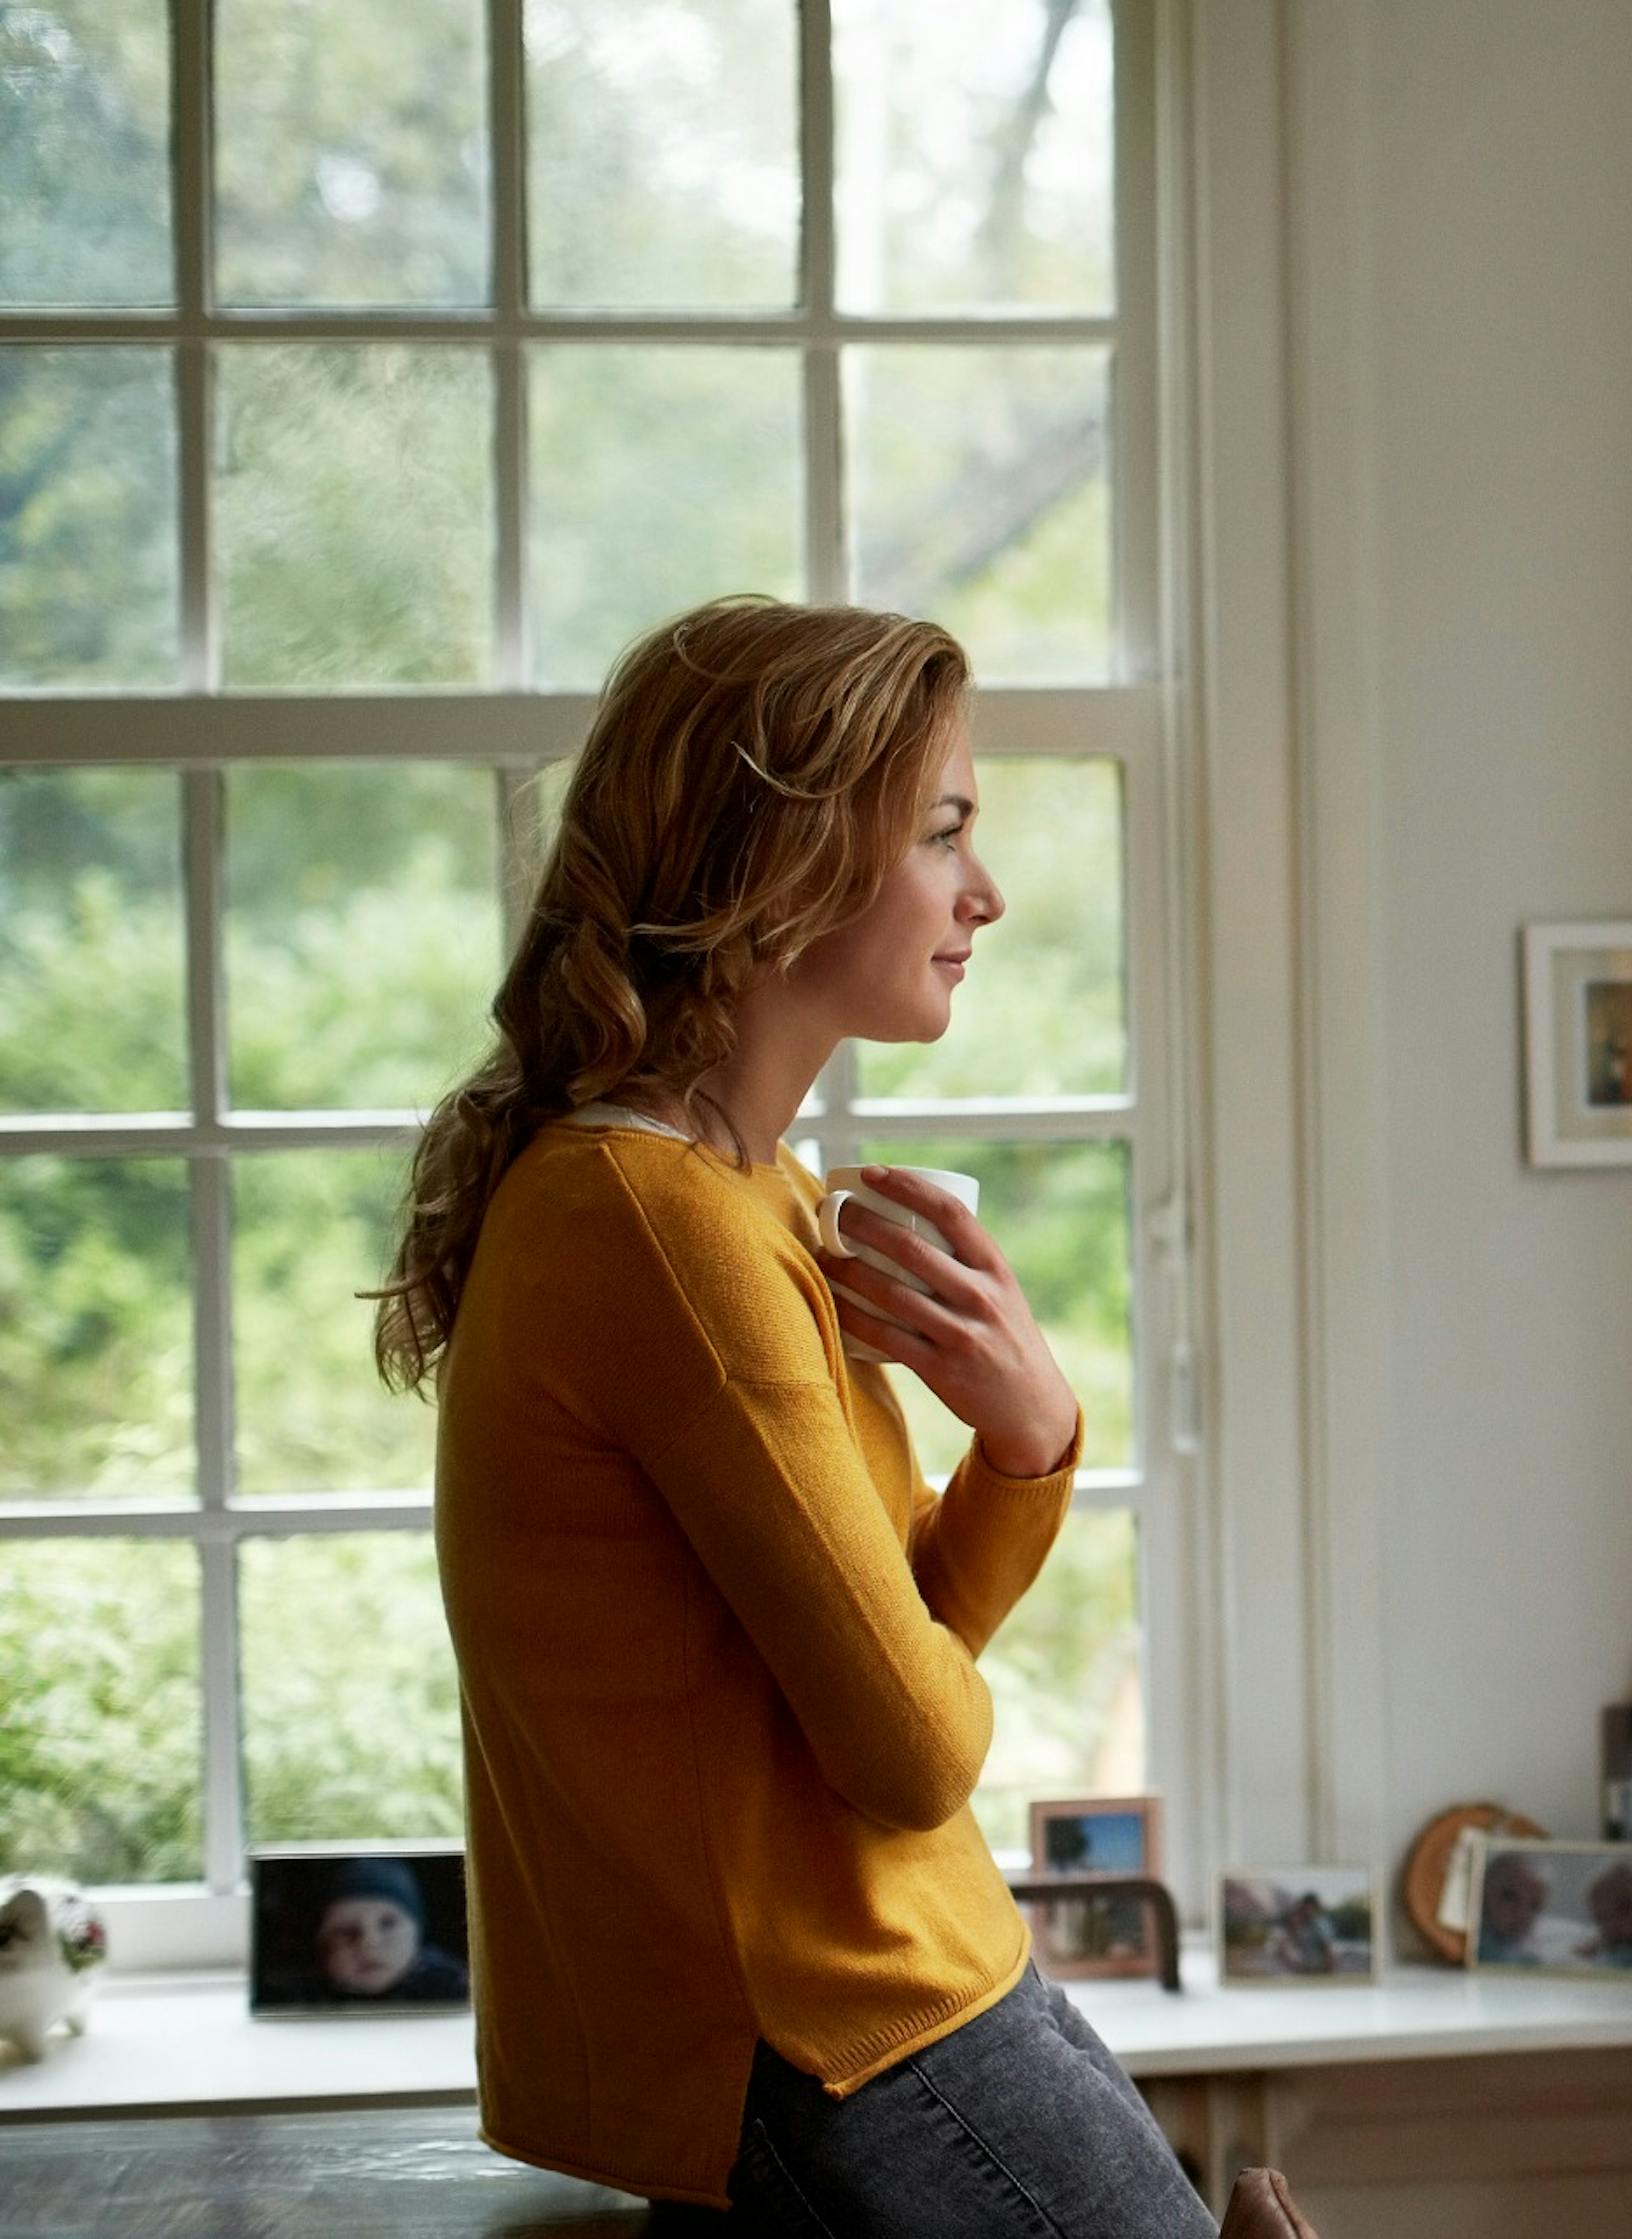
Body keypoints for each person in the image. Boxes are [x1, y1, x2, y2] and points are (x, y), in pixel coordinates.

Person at [378, 599, 1209, 2235]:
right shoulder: (654, 1219)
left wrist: (1028, 1437)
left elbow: (886, 1646)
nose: (987, 892)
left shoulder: (746, 1194)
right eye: (946, 831)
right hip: (837, 2034)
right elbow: (912, 1746)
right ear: (784, 858)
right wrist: (1019, 1463)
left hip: (892, 2000)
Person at [311, 1858, 468, 2005]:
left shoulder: (455, 1988)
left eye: (388, 1924)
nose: (369, 1943)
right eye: (345, 1932)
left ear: (417, 1932)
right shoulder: (305, 1999)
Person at [1474, 1854, 1550, 1965]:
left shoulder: (1530, 1956)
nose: (1522, 1914)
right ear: (1483, 1891)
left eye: (1534, 1906)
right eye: (1509, 1897)